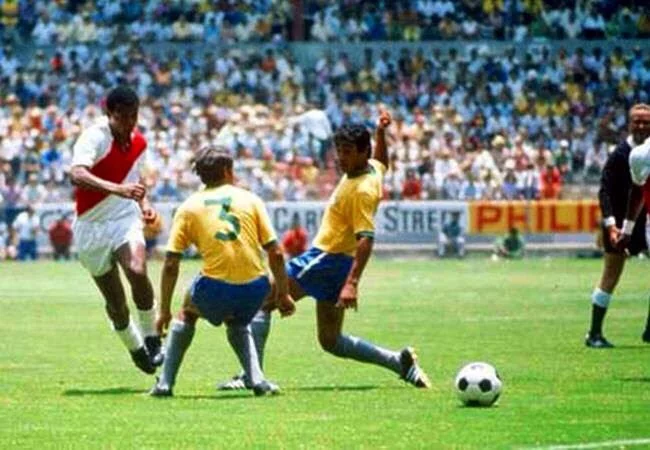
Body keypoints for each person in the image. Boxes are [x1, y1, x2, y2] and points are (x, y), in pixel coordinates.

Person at [218, 110, 431, 391]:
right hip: (337, 264)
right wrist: (380, 133)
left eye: (347, 152)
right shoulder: (371, 169)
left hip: (326, 259)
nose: (340, 158)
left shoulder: (362, 190)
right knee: (330, 340)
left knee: (262, 301)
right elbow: (382, 161)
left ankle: (251, 376)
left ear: (361, 151)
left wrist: (352, 284)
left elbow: (366, 238)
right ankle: (398, 362)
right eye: (338, 151)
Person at [150, 146, 295, 397]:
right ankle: (257, 380)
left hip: (215, 288)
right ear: (228, 171)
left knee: (187, 311)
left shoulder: (188, 207)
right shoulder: (250, 199)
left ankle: (165, 383)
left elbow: (171, 263)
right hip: (256, 288)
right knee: (237, 322)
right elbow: (277, 252)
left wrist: (163, 311)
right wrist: (282, 294)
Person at [69, 86, 163, 375]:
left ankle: (152, 337)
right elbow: (77, 174)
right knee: (117, 304)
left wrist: (144, 204)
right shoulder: (95, 136)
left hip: (124, 218)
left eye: (134, 116)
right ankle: (136, 348)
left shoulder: (139, 143)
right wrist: (117, 189)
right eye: (123, 117)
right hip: (90, 226)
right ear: (110, 114)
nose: (130, 122)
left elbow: (135, 182)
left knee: (137, 270)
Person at [586, 104, 650, 348]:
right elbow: (605, 191)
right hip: (622, 221)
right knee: (611, 275)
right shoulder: (621, 154)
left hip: (646, 219)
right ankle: (594, 333)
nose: (642, 126)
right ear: (629, 124)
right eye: (637, 121)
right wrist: (612, 226)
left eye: (646, 122)